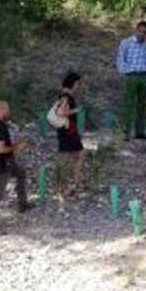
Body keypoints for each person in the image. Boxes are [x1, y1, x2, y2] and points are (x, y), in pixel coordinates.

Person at [0, 100, 30, 234]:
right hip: (2, 165)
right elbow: (1, 149)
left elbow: (5, 147)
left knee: (21, 174)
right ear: (2, 110)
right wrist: (17, 147)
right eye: (8, 109)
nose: (9, 111)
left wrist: (14, 147)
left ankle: (22, 204)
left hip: (9, 162)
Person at [116, 20, 146, 140]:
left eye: (145, 32)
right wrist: (125, 72)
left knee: (143, 105)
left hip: (144, 76)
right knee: (129, 104)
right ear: (136, 30)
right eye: (140, 31)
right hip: (131, 75)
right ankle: (125, 132)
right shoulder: (126, 43)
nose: (142, 34)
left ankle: (140, 131)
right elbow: (121, 58)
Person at [53, 72, 85, 200]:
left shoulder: (65, 94)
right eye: (78, 83)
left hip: (70, 131)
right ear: (73, 83)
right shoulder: (65, 96)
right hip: (67, 131)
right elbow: (60, 112)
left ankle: (75, 183)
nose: (78, 86)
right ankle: (63, 187)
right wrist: (76, 110)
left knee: (78, 155)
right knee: (66, 159)